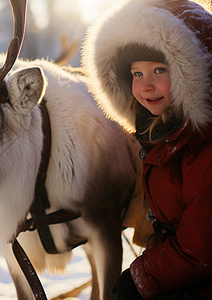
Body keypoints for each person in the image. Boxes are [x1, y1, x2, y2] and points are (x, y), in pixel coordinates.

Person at [82, 0, 212, 299]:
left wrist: (143, 275)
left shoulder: (202, 145)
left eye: (158, 69)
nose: (146, 86)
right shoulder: (161, 132)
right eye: (137, 73)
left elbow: (202, 247)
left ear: (193, 71)